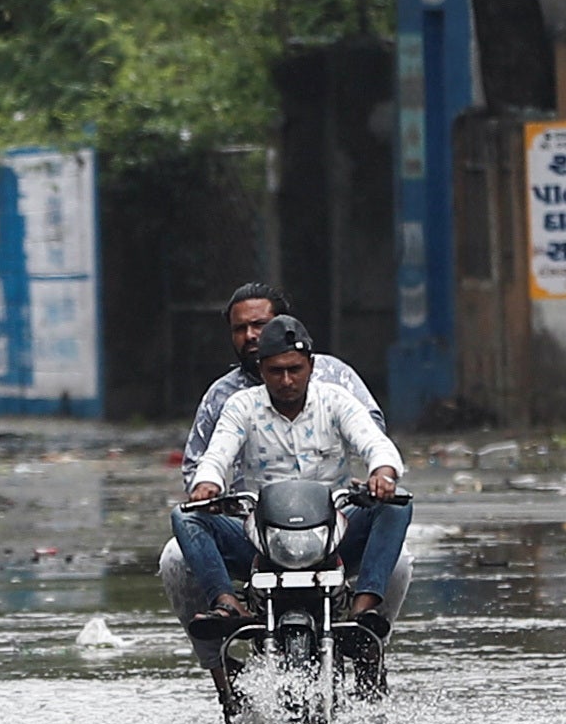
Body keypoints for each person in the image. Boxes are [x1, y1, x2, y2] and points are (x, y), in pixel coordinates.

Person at [173, 316, 410, 665]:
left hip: (332, 534)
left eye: (295, 369)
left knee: (398, 505)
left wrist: (382, 474)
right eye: (275, 371)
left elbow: (376, 444)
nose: (286, 380)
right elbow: (217, 454)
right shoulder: (242, 406)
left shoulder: (336, 401)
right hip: (262, 538)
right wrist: (207, 484)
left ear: (311, 366)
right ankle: (227, 603)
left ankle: (363, 611)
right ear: (260, 369)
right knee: (184, 517)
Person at [183, 282, 380, 478]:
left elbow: (373, 431)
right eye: (240, 329)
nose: (250, 335)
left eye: (259, 325)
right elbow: (195, 465)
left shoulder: (333, 375)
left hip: (329, 499)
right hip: (252, 505)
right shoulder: (222, 395)